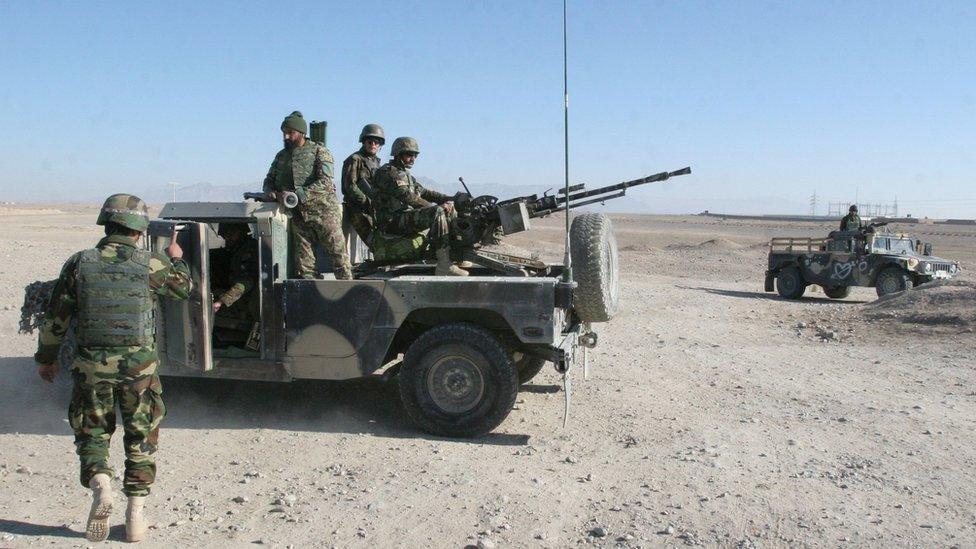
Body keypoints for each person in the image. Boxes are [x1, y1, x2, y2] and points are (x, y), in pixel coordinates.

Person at [34, 193, 192, 543]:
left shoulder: (80, 263)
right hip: (139, 371)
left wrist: (46, 359)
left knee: (93, 434)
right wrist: (176, 259)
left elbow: (56, 317)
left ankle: (101, 485)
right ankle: (135, 516)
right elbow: (184, 290)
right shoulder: (150, 264)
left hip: (91, 367)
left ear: (106, 224)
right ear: (139, 230)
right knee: (141, 438)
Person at [262, 110, 352, 280]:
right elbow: (269, 179)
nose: (286, 137)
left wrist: (298, 195)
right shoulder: (281, 156)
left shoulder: (320, 151)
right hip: (299, 218)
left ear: (302, 133)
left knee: (340, 260)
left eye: (291, 133)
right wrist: (270, 193)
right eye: (284, 133)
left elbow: (325, 182)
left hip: (324, 214)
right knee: (305, 269)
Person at [370, 136, 468, 276]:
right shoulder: (388, 173)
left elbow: (425, 192)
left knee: (450, 209)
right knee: (438, 212)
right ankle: (444, 265)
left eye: (415, 155)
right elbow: (408, 197)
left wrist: (451, 198)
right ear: (398, 154)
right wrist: (435, 208)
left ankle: (455, 256)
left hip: (401, 219)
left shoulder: (405, 175)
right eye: (409, 155)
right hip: (391, 221)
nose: (413, 159)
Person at [341, 124, 384, 263]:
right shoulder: (355, 159)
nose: (373, 144)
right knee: (374, 241)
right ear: (364, 142)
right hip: (357, 209)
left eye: (376, 142)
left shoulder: (376, 162)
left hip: (373, 209)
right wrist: (367, 202)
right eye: (369, 141)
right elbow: (349, 186)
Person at [212, 224, 259, 348]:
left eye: (231, 234)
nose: (228, 239)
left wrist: (222, 301)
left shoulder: (249, 250)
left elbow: (246, 282)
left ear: (241, 232)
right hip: (244, 299)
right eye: (225, 236)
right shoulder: (239, 249)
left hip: (247, 304)